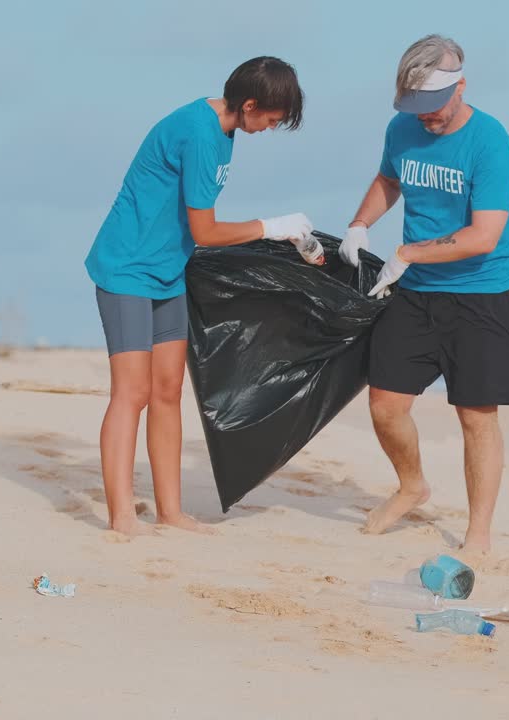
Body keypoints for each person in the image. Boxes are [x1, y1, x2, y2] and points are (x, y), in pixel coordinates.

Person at [84, 57, 325, 536]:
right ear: (250, 104)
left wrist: (285, 239)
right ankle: (121, 517)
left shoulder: (226, 132)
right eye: (272, 120)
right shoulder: (197, 131)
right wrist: (273, 227)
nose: (269, 129)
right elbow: (206, 229)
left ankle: (169, 511)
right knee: (131, 393)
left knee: (168, 390)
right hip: (127, 268)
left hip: (168, 271)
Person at [338, 35, 509, 553]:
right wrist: (360, 224)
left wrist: (408, 254)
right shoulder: (402, 128)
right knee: (385, 406)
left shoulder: (490, 141)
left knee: (476, 417)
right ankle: (412, 485)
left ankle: (478, 534)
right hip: (418, 294)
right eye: (415, 107)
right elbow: (389, 179)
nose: (425, 117)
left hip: (482, 295)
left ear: (460, 87)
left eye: (433, 106)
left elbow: (484, 235)